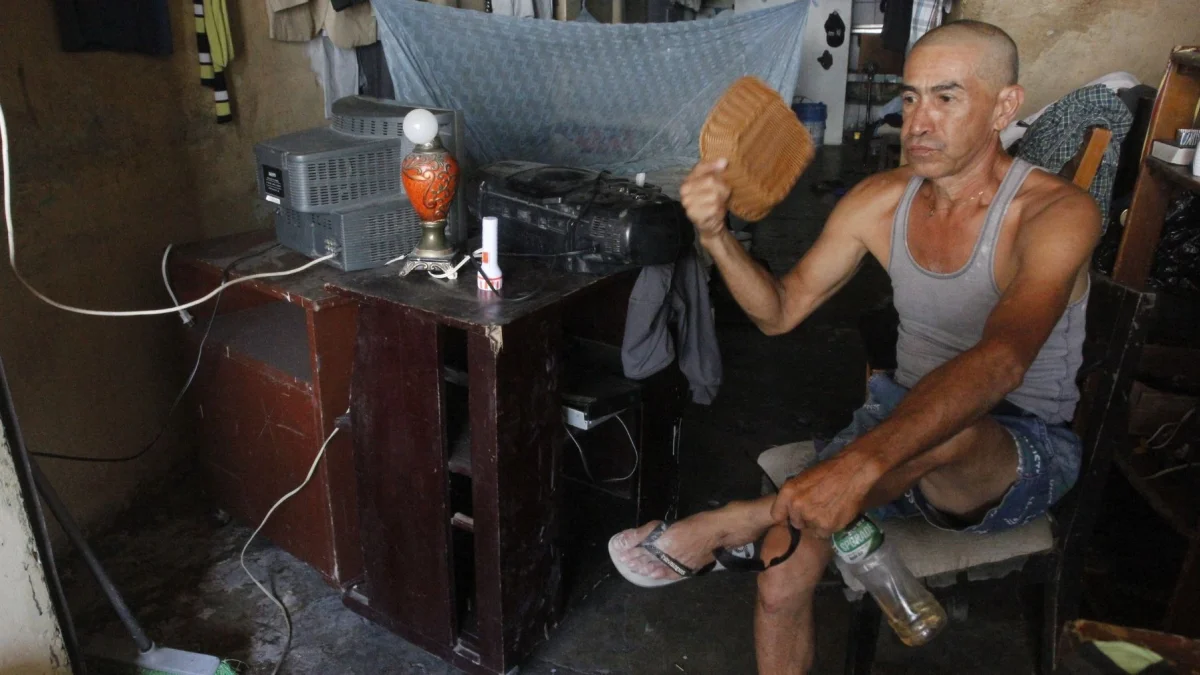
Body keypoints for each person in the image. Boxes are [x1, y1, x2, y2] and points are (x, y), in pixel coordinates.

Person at [608, 19, 1100, 674]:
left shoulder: (1056, 213)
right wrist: (717, 235)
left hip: (1016, 446)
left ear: (1004, 107)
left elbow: (1004, 359)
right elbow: (780, 313)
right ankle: (771, 514)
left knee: (948, 432)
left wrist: (857, 465)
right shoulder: (877, 201)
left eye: (946, 98)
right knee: (780, 579)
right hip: (895, 428)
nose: (918, 120)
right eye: (913, 97)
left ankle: (736, 520)